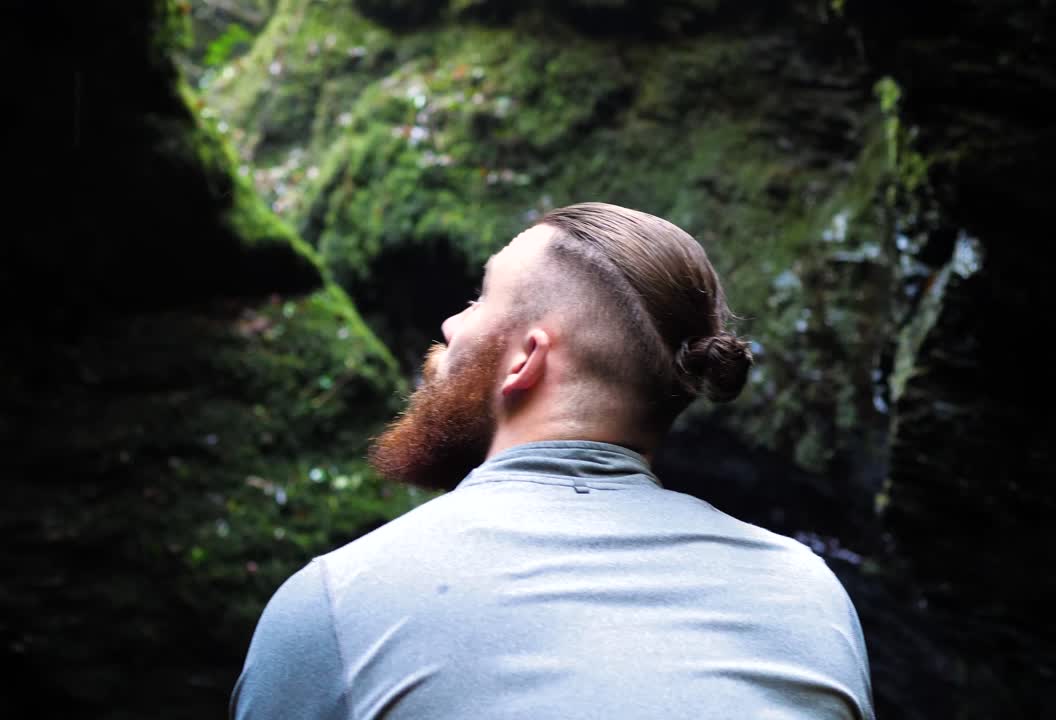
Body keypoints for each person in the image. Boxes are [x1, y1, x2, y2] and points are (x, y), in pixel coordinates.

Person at [229, 202, 875, 719]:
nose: (452, 325)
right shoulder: (810, 595)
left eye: (479, 299)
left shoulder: (337, 606)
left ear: (526, 360)